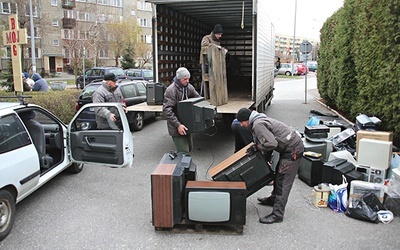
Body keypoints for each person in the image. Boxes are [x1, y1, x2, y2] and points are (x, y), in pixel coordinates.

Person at [236, 108, 304, 224]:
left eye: (242, 122)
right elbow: (268, 143)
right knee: (278, 175)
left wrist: (258, 147)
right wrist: (264, 159)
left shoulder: (257, 125)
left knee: (283, 181)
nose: (242, 125)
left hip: (292, 150)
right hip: (288, 148)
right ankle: (273, 199)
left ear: (247, 120)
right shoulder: (258, 121)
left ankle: (277, 215)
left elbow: (271, 144)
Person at [163, 67, 201, 155]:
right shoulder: (171, 90)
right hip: (177, 126)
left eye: (188, 79)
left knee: (190, 147)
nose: (187, 81)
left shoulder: (188, 87)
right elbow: (167, 110)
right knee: (183, 152)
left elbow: (198, 99)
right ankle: (181, 167)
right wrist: (178, 125)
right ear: (179, 79)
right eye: (185, 79)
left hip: (187, 124)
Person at [199, 24, 226, 96]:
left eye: (221, 34)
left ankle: (213, 95)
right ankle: (202, 95)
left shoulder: (218, 41)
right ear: (215, 33)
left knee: (214, 79)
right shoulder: (206, 38)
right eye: (219, 34)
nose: (220, 36)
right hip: (206, 62)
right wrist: (215, 46)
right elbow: (204, 44)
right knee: (205, 79)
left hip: (214, 63)